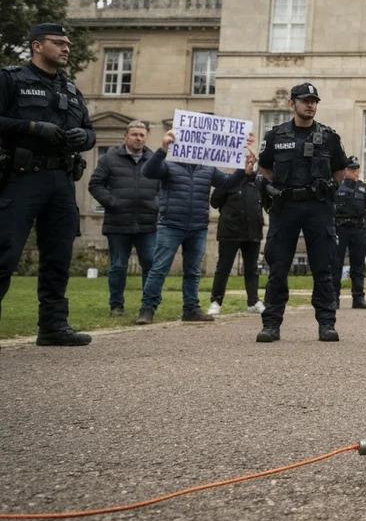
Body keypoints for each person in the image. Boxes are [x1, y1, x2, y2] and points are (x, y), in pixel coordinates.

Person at [0, 23, 96, 346]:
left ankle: (53, 326)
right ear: (37, 46)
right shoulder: (11, 80)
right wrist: (32, 127)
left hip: (62, 181)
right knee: (5, 252)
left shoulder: (71, 90)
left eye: (67, 43)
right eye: (58, 42)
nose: (66, 48)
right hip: (22, 176)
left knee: (58, 255)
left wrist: (85, 137)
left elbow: (90, 131)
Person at [255, 82, 348, 343]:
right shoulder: (276, 136)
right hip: (285, 207)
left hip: (318, 207)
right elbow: (265, 168)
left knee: (323, 267)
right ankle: (271, 324)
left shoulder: (329, 137)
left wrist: (327, 189)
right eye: (305, 100)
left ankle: (326, 323)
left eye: (314, 101)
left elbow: (340, 171)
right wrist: (276, 188)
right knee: (278, 267)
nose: (310, 105)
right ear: (292, 103)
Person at [140, 129, 255, 325]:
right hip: (171, 224)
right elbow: (148, 172)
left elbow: (227, 183)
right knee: (159, 268)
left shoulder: (208, 168)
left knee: (193, 270)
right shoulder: (169, 164)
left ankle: (191, 308)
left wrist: (243, 170)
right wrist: (162, 149)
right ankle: (147, 309)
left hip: (198, 226)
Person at [88, 120, 159, 317]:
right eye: (134, 134)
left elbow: (165, 188)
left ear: (146, 137)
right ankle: (116, 305)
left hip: (148, 222)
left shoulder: (155, 160)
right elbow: (95, 185)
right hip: (118, 222)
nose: (138, 138)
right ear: (125, 136)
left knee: (150, 263)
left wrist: (157, 204)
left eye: (142, 135)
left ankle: (148, 305)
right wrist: (113, 202)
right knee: (118, 265)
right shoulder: (108, 159)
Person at [207, 160, 265, 316]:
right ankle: (216, 301)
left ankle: (253, 301)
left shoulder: (258, 183)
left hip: (253, 232)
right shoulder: (228, 181)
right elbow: (214, 202)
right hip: (230, 232)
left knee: (252, 269)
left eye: (252, 162)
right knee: (223, 268)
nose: (250, 165)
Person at [333, 156, 366, 310]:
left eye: (356, 169)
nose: (354, 172)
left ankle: (358, 297)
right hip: (340, 228)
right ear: (345, 171)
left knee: (358, 264)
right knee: (336, 264)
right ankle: (334, 298)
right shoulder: (337, 186)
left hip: (358, 228)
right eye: (351, 169)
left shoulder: (363, 188)